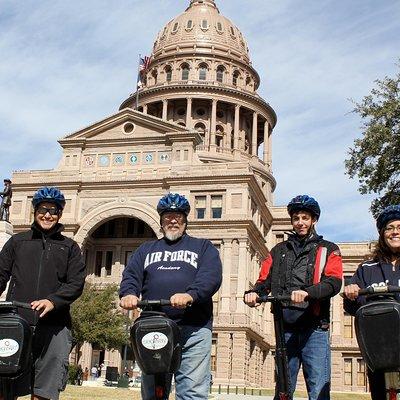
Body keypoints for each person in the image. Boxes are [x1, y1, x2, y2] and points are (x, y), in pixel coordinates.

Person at [120, 193, 222, 400]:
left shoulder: (203, 247)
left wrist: (190, 295)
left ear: (185, 220)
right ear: (161, 220)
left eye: (178, 216)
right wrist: (129, 294)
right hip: (153, 327)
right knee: (152, 393)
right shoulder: (146, 250)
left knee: (191, 392)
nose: (173, 220)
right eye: (168, 216)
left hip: (193, 327)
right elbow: (131, 275)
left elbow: (211, 277)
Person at [244, 195, 343, 400]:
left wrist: (309, 293)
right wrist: (254, 293)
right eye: (296, 218)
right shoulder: (278, 251)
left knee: (318, 391)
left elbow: (334, 282)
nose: (300, 222)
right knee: (282, 391)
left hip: (315, 329)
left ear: (314, 220)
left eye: (305, 218)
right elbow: (264, 281)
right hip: (285, 330)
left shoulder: (328, 249)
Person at [0, 186, 86, 400]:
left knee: (44, 392)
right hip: (16, 323)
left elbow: (76, 283)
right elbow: (1, 274)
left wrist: (53, 301)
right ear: (34, 210)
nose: (48, 215)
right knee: (4, 385)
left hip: (55, 325)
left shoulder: (70, 247)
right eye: (43, 209)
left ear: (60, 213)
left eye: (53, 210)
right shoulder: (17, 242)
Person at [343, 204, 400, 400]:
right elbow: (351, 307)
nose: (395, 232)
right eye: (390, 228)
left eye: (399, 227)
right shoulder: (367, 268)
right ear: (383, 234)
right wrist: (350, 292)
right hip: (379, 347)